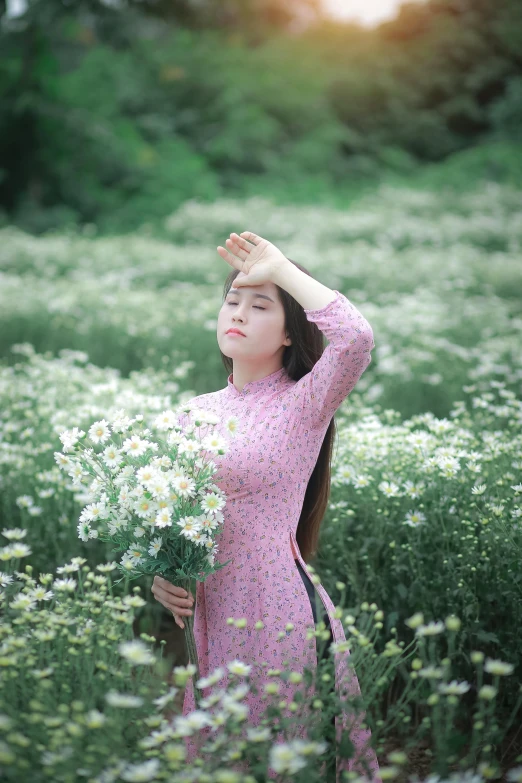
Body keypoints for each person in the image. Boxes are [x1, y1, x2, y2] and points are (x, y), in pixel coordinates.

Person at [152, 231, 381, 782]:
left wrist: (280, 268)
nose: (238, 313)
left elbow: (355, 338)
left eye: (260, 305)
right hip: (209, 615)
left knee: (282, 756)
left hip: (274, 609)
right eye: (232, 300)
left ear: (287, 332)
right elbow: (172, 520)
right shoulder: (190, 414)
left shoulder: (304, 402)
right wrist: (162, 576)